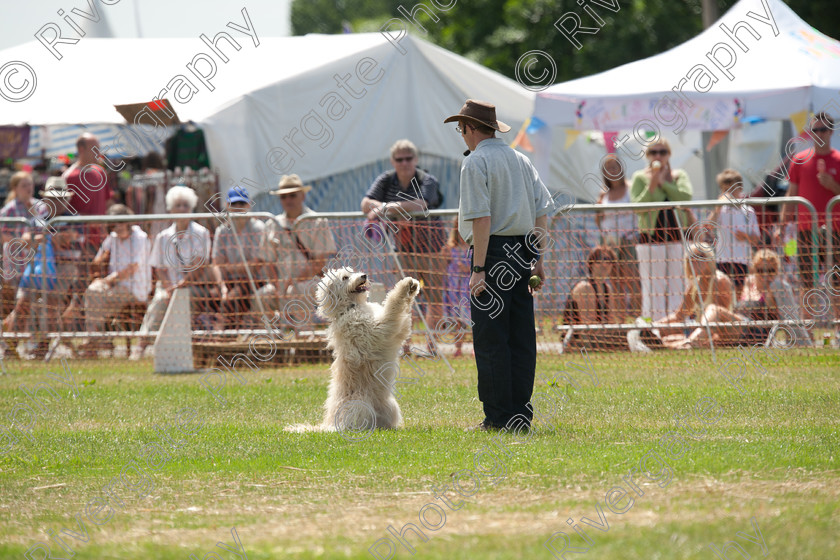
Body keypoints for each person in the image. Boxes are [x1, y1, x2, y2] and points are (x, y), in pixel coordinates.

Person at [444, 99, 552, 432]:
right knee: (521, 337)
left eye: (462, 128)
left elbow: (481, 218)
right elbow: (543, 211)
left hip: (491, 253)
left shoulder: (475, 162)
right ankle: (520, 416)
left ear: (471, 128)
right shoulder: (521, 159)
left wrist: (479, 270)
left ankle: (496, 417)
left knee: (492, 338)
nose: (462, 135)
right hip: (523, 252)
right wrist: (538, 260)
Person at [361, 139, 445, 346]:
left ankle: (431, 344)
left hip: (432, 247)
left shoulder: (427, 179)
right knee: (404, 297)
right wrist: (390, 209)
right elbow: (365, 203)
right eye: (400, 159)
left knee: (434, 296)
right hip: (403, 248)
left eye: (409, 158)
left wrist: (386, 207)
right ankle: (404, 344)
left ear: (416, 159)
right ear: (393, 161)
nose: (404, 163)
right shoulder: (386, 180)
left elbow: (421, 204)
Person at [132, 185, 219, 359]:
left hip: (193, 287)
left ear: (191, 207)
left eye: (185, 205)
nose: (181, 209)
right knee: (161, 300)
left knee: (174, 299)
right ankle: (142, 344)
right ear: (170, 209)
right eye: (178, 205)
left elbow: (199, 266)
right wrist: (170, 287)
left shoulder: (201, 233)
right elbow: (159, 268)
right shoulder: (163, 236)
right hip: (167, 287)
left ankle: (161, 347)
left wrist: (180, 286)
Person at [5, 178, 82, 358]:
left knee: (51, 300)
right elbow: (25, 239)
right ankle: (10, 346)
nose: (57, 202)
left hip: (65, 267)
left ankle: (43, 346)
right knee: (23, 302)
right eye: (53, 199)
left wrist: (45, 239)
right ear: (46, 200)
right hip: (39, 267)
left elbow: (71, 239)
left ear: (67, 199)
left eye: (60, 198)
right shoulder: (38, 219)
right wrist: (44, 239)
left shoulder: (75, 218)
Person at [677, 249, 809, 348]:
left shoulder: (776, 288)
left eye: (770, 270)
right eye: (760, 270)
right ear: (753, 269)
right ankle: (670, 343)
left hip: (754, 332)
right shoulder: (748, 283)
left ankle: (689, 343)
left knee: (714, 310)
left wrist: (803, 342)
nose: (765, 274)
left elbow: (790, 319)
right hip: (736, 328)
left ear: (776, 271)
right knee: (680, 340)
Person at [779, 112, 840, 315]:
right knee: (807, 283)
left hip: (836, 231)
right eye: (815, 130)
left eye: (823, 130)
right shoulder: (799, 159)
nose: (819, 134)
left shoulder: (839, 159)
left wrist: (833, 186)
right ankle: (809, 332)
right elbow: (792, 194)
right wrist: (781, 225)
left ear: (831, 132)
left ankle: (838, 330)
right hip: (806, 231)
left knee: (837, 283)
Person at [259, 175, 336, 322]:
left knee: (297, 290)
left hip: (312, 281)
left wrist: (292, 281)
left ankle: (304, 339)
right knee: (261, 296)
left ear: (303, 196)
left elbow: (319, 263)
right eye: (283, 197)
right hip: (280, 283)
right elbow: (267, 262)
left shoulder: (317, 221)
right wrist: (276, 286)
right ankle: (269, 339)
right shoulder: (272, 224)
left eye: (292, 195)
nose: (288, 200)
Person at [78, 205, 151, 357]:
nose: (117, 227)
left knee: (93, 297)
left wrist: (109, 280)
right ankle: (97, 339)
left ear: (127, 222)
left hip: (134, 289)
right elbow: (99, 259)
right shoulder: (112, 238)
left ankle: (95, 340)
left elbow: (133, 267)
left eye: (120, 223)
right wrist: (97, 267)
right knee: (92, 290)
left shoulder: (140, 238)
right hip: (113, 286)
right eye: (114, 224)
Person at [212, 186, 266, 329]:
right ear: (227, 206)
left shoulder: (258, 228)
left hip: (255, 281)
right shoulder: (222, 230)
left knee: (231, 299)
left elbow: (256, 265)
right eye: (234, 204)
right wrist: (222, 286)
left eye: (241, 204)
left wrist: (228, 268)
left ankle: (220, 338)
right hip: (229, 281)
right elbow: (216, 264)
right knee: (210, 296)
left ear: (248, 205)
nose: (237, 207)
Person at [595, 154, 641, 318]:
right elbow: (598, 218)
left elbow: (638, 212)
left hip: (629, 239)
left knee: (633, 279)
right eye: (608, 168)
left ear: (621, 168)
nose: (612, 170)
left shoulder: (631, 188)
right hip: (610, 242)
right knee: (615, 281)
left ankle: (639, 318)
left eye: (615, 166)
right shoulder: (604, 194)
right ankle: (619, 320)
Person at [0, 172, 46, 318]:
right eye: (24, 185)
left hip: (37, 259)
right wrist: (21, 242)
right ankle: (16, 330)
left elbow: (47, 230)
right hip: (16, 260)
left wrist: (36, 239)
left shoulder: (40, 206)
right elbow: (2, 235)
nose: (28, 188)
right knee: (18, 298)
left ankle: (26, 331)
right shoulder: (9, 209)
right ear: (15, 189)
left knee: (32, 296)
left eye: (30, 184)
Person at [630, 139, 694, 243]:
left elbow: (686, 198)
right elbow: (637, 208)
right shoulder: (639, 177)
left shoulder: (679, 174)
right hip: (650, 236)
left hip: (679, 233)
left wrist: (663, 184)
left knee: (679, 260)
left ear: (669, 154)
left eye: (663, 152)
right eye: (653, 152)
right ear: (647, 155)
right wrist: (652, 185)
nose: (658, 156)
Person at [561, 245, 624, 351]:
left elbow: (611, 320)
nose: (604, 265)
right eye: (599, 260)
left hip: (600, 337)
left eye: (608, 261)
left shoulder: (607, 288)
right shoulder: (584, 287)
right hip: (580, 341)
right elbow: (588, 326)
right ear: (591, 264)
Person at [708, 169, 760, 294]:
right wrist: (718, 206)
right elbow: (709, 226)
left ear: (740, 188)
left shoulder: (748, 211)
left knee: (738, 292)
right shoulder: (721, 210)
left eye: (732, 189)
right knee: (722, 292)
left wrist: (746, 236)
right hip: (723, 259)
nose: (729, 193)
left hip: (741, 260)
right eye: (725, 190)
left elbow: (756, 238)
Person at [442, 218, 470, 357]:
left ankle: (476, 347)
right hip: (454, 288)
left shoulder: (473, 247)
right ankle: (458, 347)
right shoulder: (451, 248)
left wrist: (466, 268)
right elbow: (444, 267)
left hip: (468, 288)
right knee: (457, 319)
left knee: (472, 317)